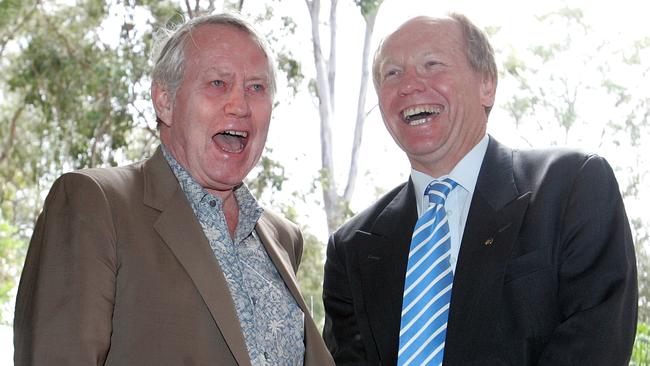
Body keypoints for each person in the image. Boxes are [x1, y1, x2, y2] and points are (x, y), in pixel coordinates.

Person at [14, 13, 334, 366]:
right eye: (217, 83)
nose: (240, 105)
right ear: (164, 101)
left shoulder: (284, 238)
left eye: (256, 87)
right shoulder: (94, 203)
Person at [322, 13, 637, 365]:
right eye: (392, 73)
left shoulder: (572, 187)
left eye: (431, 64)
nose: (409, 85)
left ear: (487, 83)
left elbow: (596, 344)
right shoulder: (351, 247)